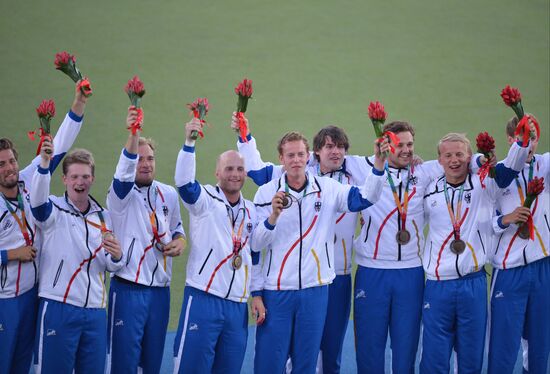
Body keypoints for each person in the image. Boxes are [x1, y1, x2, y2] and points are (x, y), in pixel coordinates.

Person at [232, 116, 362, 373]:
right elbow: (256, 170)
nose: (335, 151)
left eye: (339, 146)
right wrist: (244, 136)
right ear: (316, 153)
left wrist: (396, 162)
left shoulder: (352, 174)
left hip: (334, 278)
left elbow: (374, 189)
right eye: (328, 146)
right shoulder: (290, 177)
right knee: (284, 355)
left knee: (328, 350)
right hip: (287, 283)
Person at [251, 131, 388, 374]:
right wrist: (272, 217)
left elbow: (367, 197)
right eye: (290, 155)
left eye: (300, 154)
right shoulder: (266, 193)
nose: (296, 160)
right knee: (270, 363)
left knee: (307, 363)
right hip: (277, 291)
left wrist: (378, 164)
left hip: (315, 290)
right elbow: (255, 245)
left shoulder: (328, 188)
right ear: (281, 158)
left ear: (308, 157)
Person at [420, 132, 529, 373]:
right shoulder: (429, 192)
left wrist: (522, 140)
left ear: (469, 156)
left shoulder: (484, 185)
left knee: (470, 356)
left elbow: (511, 166)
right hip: (438, 285)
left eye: (459, 154)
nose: (454, 160)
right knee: (433, 358)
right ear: (439, 160)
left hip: (473, 282)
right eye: (447, 155)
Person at [0, 81, 88, 374]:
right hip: (5, 300)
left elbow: (60, 145)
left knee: (24, 363)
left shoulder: (29, 179)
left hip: (34, 293)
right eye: (1, 165)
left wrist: (79, 103)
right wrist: (13, 255)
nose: (9, 168)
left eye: (11, 161)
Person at [172, 119, 259, 373]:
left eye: (240, 169)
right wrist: (189, 143)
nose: (235, 174)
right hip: (203, 298)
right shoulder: (204, 200)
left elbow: (255, 253)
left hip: (237, 306)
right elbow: (185, 184)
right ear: (217, 173)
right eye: (229, 168)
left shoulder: (251, 210)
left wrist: (256, 295)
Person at [106, 107, 186, 374]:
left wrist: (180, 241)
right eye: (140, 159)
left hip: (160, 292)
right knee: (124, 363)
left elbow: (177, 227)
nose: (146, 164)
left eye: (150, 158)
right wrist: (133, 133)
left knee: (152, 363)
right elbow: (124, 170)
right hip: (128, 288)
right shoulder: (119, 196)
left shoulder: (168, 194)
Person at [30, 143, 123, 373]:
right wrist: (44, 165)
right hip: (59, 307)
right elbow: (37, 202)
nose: (79, 182)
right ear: (64, 179)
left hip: (95, 312)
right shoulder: (52, 210)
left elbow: (109, 264)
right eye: (74, 177)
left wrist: (117, 256)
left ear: (92, 179)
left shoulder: (103, 217)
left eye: (85, 176)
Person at [487, 115, 549, 374]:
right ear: (511, 141)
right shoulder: (495, 174)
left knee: (540, 345)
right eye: (522, 139)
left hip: (544, 266)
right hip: (509, 270)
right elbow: (480, 223)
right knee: (503, 346)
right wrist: (505, 220)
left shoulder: (545, 164)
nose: (528, 144)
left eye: (532, 138)